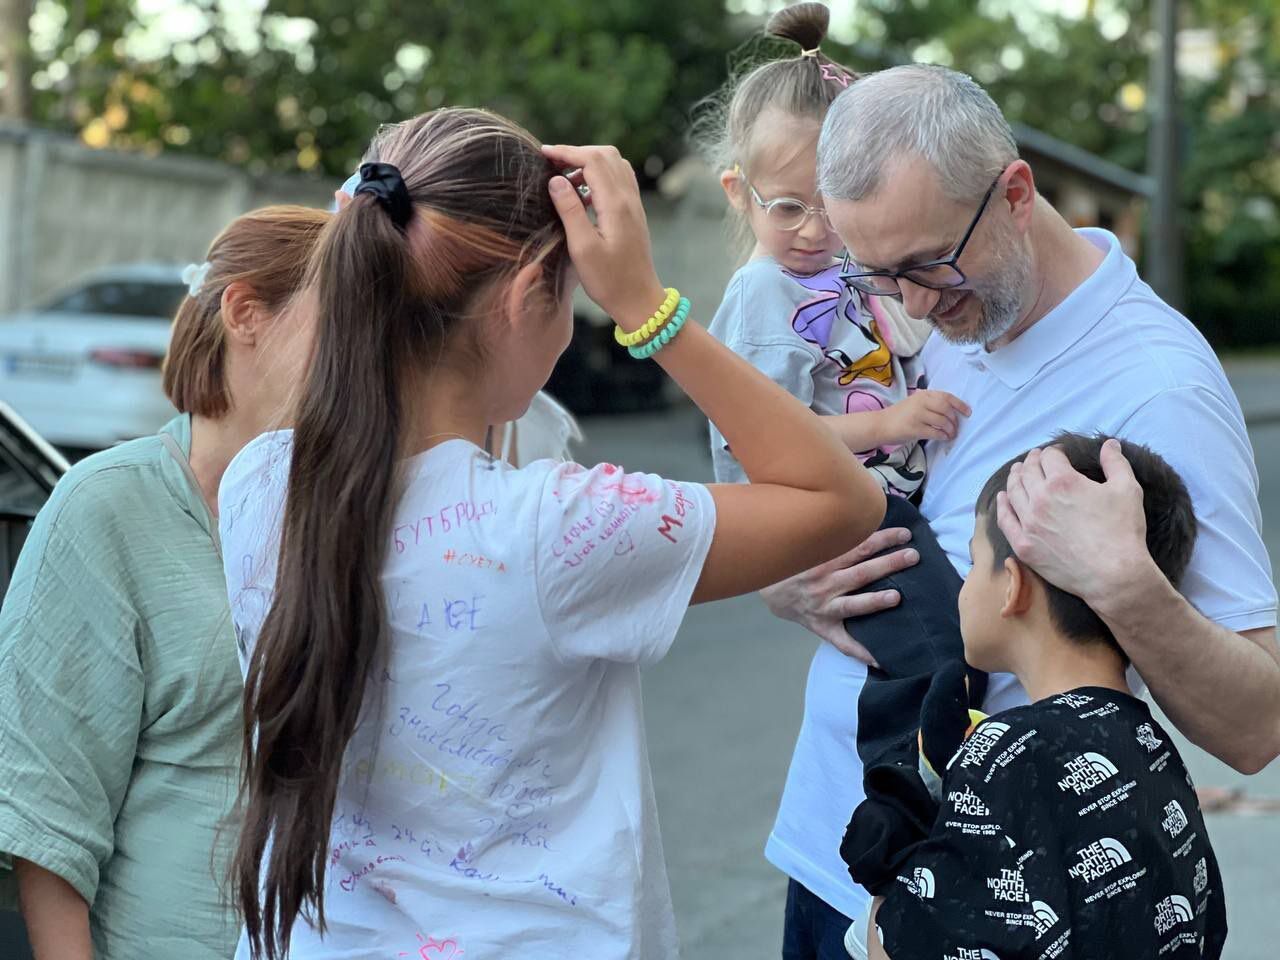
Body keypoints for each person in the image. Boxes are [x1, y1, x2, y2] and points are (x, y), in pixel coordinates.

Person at [219, 107, 887, 960]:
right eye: (571, 292)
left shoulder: (260, 482)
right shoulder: (556, 529)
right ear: (526, 295)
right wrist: (648, 306)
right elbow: (840, 497)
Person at [757, 62, 1278, 954]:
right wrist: (790, 578)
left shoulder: (1160, 391)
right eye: (879, 275)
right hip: (833, 850)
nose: (913, 305)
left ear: (1015, 192)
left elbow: (1257, 725)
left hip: (981, 907)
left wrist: (1125, 583)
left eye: (929, 266)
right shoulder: (947, 310)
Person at [696, 7, 980, 946]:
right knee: (941, 645)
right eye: (787, 206)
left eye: (829, 199)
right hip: (833, 510)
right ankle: (908, 792)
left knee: (947, 636)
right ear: (740, 193)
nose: (815, 229)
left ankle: (923, 778)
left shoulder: (855, 270)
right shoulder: (760, 294)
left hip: (889, 497)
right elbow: (758, 441)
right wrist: (893, 423)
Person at [0, 206, 328, 960]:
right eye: (345, 329)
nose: (370, 363)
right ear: (245, 312)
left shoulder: (359, 511)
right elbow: (48, 824)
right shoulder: (107, 508)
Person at [850, 434, 1226, 960]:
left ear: (1012, 586)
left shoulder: (1007, 749)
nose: (961, 587)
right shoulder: (1150, 741)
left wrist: (903, 824)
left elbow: (897, 946)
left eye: (974, 563)